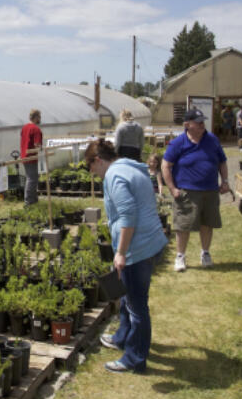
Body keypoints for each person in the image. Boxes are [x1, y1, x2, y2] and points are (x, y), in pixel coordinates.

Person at [86, 139, 168, 374]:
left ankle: (134, 358)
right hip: (148, 241)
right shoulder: (130, 167)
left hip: (137, 248)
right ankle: (122, 336)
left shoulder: (114, 176)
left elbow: (128, 216)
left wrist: (121, 252)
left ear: (98, 160)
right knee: (128, 297)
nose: (92, 173)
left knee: (137, 307)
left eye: (91, 167)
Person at [162, 108, 229, 272]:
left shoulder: (212, 139)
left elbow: (222, 162)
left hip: (210, 191)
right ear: (187, 124)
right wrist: (172, 189)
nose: (201, 125)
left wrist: (225, 181)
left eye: (202, 122)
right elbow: (165, 165)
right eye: (198, 122)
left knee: (207, 224)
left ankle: (205, 253)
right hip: (187, 192)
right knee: (183, 226)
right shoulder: (178, 143)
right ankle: (180, 257)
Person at [20, 109, 43, 205]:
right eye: (39, 117)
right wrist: (42, 148)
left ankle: (33, 200)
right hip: (31, 157)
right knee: (32, 179)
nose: (40, 119)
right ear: (36, 117)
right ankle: (28, 202)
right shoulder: (36, 129)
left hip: (24, 156)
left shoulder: (24, 127)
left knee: (31, 177)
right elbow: (37, 144)